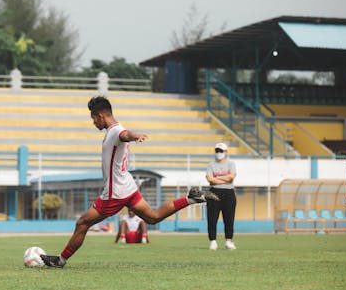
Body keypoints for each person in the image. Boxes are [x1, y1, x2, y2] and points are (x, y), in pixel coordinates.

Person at [41, 96, 219, 267]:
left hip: (115, 193)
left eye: (94, 118)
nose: (94, 122)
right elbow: (124, 134)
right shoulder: (115, 130)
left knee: (82, 223)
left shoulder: (116, 131)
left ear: (101, 116)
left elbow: (125, 134)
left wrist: (135, 136)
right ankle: (191, 199)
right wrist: (132, 136)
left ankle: (60, 260)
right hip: (128, 187)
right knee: (153, 217)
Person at [205, 142, 237, 250]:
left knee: (229, 218)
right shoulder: (211, 164)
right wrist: (225, 178)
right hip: (214, 192)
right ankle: (213, 241)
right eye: (217, 151)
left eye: (221, 151)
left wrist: (216, 179)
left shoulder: (231, 163)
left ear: (226, 152)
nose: (219, 153)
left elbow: (231, 177)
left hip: (229, 193)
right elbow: (209, 179)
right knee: (212, 218)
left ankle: (228, 241)